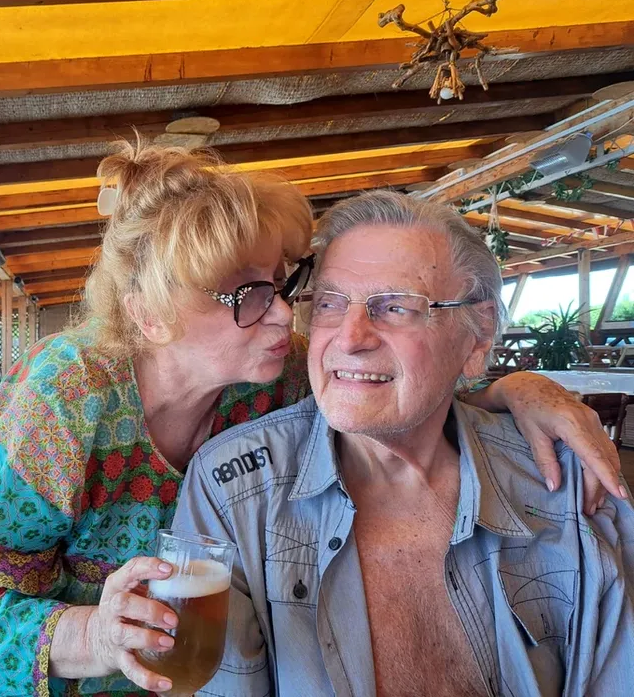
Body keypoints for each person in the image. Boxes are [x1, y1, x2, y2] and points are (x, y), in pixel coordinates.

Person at [0, 143, 623, 697]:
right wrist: (91, 635)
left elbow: (408, 374)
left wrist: (524, 389)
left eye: (283, 282)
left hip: (152, 638)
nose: (281, 315)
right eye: (243, 293)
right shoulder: (66, 401)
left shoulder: (271, 372)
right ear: (149, 316)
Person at [174, 190, 634, 696]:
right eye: (329, 303)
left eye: (395, 307)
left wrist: (525, 388)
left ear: (478, 336)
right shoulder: (234, 489)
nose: (349, 338)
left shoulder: (571, 483)